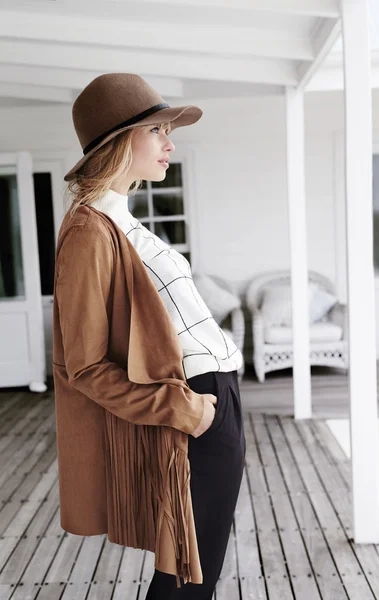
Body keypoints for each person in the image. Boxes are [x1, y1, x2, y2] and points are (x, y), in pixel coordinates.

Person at [53, 72, 246, 600]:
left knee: (191, 570)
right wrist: (190, 411)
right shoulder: (90, 230)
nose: (170, 142)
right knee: (187, 577)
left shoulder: (121, 221)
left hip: (212, 398)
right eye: (157, 130)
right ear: (119, 141)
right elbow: (84, 366)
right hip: (193, 406)